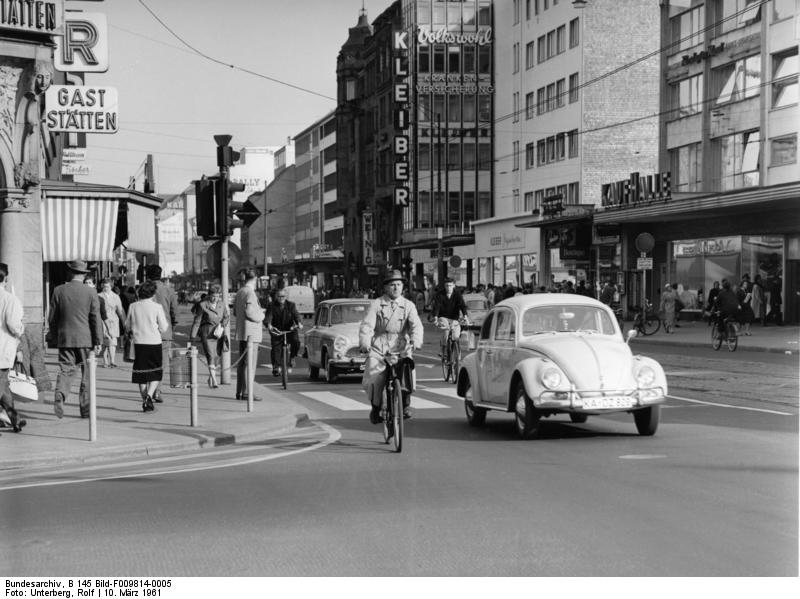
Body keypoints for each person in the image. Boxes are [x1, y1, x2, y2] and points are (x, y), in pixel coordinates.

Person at [359, 270, 423, 424]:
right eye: (392, 285)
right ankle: (376, 408)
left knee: (408, 370)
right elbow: (367, 326)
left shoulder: (409, 305)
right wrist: (365, 343)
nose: (396, 288)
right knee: (374, 377)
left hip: (401, 346)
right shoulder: (376, 304)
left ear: (403, 287)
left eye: (399, 284)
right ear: (386, 287)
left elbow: (416, 326)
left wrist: (415, 340)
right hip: (379, 346)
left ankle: (406, 404)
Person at [47, 260, 103, 419]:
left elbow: (52, 318)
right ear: (84, 275)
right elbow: (95, 318)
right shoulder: (91, 292)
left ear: (69, 272)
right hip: (86, 339)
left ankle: (60, 394)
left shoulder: (58, 291)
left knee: (66, 370)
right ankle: (85, 409)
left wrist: (54, 336)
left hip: (65, 338)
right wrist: (98, 341)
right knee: (87, 374)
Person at [125, 281, 169, 413]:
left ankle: (145, 399)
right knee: (155, 372)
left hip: (139, 343)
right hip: (154, 342)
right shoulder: (157, 307)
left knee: (141, 373)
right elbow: (164, 327)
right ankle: (149, 396)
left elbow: (127, 325)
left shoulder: (133, 306)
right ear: (153, 293)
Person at [146, 265, 178, 403]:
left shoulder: (143, 288)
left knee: (148, 363)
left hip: (146, 331)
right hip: (164, 332)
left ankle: (149, 390)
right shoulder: (169, 290)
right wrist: (173, 325)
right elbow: (174, 312)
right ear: (161, 275)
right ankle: (157, 391)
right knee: (162, 363)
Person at [0, 264, 26, 432]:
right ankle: (13, 419)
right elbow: (13, 324)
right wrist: (21, 329)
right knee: (1, 385)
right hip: (2, 348)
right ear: (6, 278)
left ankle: (15, 419)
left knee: (3, 386)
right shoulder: (10, 299)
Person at [233, 269, 265, 401]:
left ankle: (240, 391)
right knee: (250, 364)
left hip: (242, 332)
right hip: (251, 334)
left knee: (242, 364)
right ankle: (247, 392)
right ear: (255, 279)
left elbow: (235, 311)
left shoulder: (240, 292)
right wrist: (261, 315)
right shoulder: (250, 293)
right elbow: (250, 312)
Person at [190, 283, 229, 388]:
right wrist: (192, 337)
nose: (215, 298)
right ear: (209, 295)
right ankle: (215, 381)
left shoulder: (221, 304)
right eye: (213, 296)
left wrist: (222, 325)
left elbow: (226, 316)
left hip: (218, 334)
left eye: (217, 296)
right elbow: (197, 322)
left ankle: (211, 377)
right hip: (206, 334)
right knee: (210, 356)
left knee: (217, 357)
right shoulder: (203, 305)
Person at [265, 288, 302, 377]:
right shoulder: (272, 305)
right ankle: (276, 366)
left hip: (289, 329)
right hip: (277, 330)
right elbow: (268, 316)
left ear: (286, 297)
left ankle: (292, 357)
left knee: (296, 342)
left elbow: (295, 315)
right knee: (276, 347)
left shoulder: (291, 305)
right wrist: (269, 324)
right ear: (276, 297)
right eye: (279, 296)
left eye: (283, 296)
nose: (281, 298)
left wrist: (299, 323)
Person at [431, 277, 469, 357]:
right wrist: (435, 316)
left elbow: (462, 305)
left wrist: (465, 316)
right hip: (443, 317)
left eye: (450, 285)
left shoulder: (457, 294)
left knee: (455, 336)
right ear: (444, 286)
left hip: (454, 318)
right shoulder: (440, 294)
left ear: (454, 285)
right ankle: (443, 350)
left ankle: (456, 352)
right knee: (446, 331)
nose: (448, 287)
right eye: (446, 286)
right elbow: (437, 306)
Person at [98, 278, 126, 368]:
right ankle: (105, 361)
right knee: (105, 343)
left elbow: (120, 310)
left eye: (107, 286)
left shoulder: (116, 296)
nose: (106, 288)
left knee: (113, 342)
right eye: (104, 286)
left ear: (111, 287)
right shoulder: (98, 296)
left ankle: (112, 361)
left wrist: (124, 322)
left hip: (113, 321)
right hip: (102, 320)